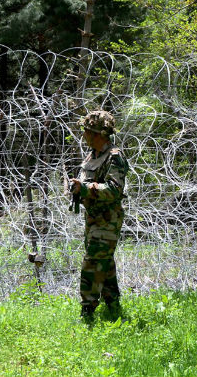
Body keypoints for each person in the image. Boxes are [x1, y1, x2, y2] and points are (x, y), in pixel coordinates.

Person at [70, 110, 129, 321]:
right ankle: (113, 305)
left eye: (87, 131)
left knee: (93, 262)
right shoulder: (93, 155)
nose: (84, 135)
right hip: (93, 217)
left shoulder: (114, 157)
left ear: (98, 134)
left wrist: (85, 188)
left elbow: (114, 190)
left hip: (108, 219)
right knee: (104, 261)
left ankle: (87, 311)